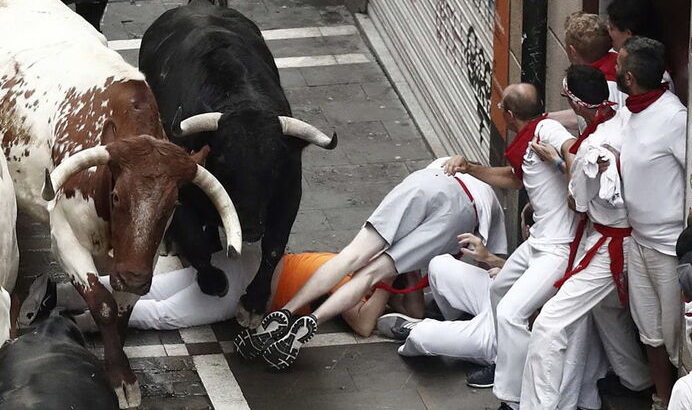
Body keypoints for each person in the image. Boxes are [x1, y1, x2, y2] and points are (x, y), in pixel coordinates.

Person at [232, 156, 506, 370]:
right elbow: (493, 269)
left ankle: (286, 312)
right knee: (372, 274)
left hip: (425, 181)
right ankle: (313, 320)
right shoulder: (491, 203)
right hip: (461, 212)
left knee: (350, 255)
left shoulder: (450, 163)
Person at [520, 66, 651, 410]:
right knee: (608, 311)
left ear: (576, 103)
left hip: (609, 245)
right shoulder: (627, 117)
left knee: (549, 323)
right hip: (635, 238)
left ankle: (540, 405)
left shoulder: (592, 146)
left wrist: (561, 164)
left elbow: (576, 201)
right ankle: (636, 380)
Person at [443, 83, 581, 410]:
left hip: (558, 247)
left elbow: (573, 149)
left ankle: (513, 398)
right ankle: (502, 362)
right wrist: (469, 168)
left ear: (507, 115)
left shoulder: (547, 129)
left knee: (510, 315)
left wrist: (570, 179)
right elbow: (513, 177)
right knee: (498, 290)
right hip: (538, 240)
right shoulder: (528, 138)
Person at [20, 247, 393, 337]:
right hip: (241, 290)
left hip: (237, 262)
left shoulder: (339, 258)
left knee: (154, 289)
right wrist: (387, 284)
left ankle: (59, 294)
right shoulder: (347, 282)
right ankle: (75, 324)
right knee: (162, 313)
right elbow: (363, 324)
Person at [616, 36, 687, 410]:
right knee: (650, 333)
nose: (614, 68)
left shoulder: (674, 118)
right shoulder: (630, 110)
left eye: (618, 64)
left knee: (678, 339)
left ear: (629, 77)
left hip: (669, 248)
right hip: (638, 240)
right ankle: (661, 400)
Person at [380, 232, 505, 372]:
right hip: (501, 292)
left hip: (502, 329)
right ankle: (459, 324)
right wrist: (490, 258)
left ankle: (426, 329)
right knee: (439, 264)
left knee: (421, 336)